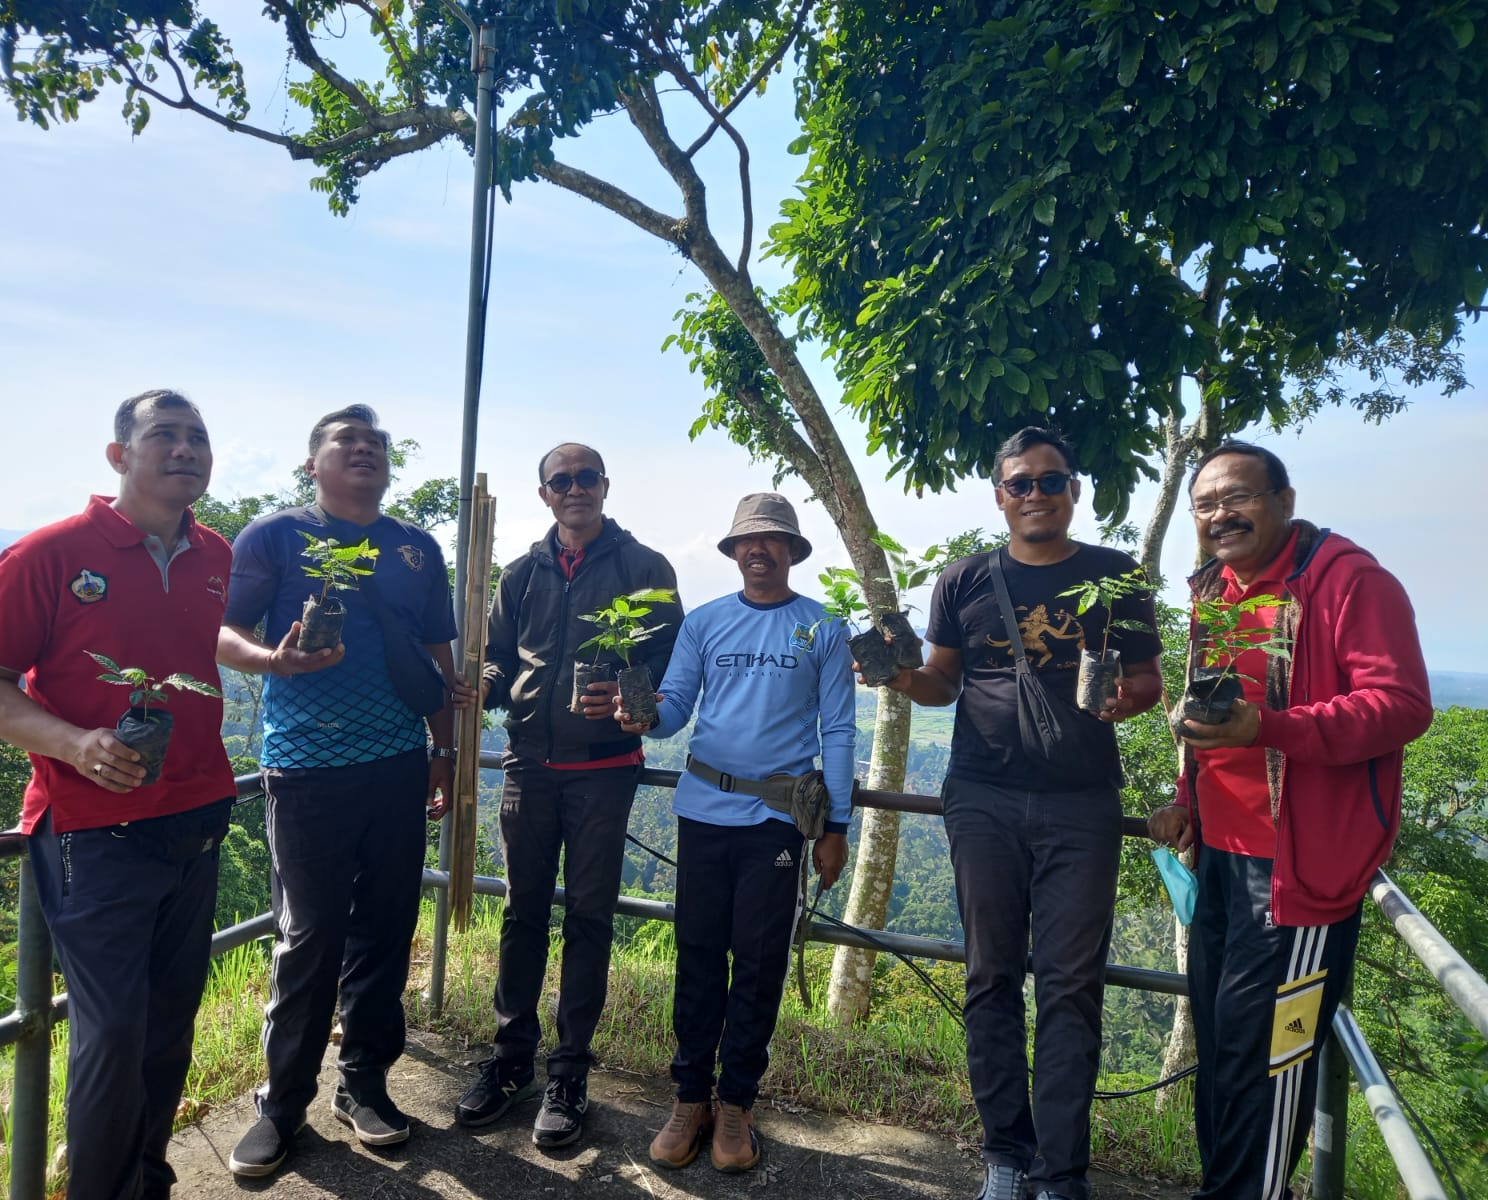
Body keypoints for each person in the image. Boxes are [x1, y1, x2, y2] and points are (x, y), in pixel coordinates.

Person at [0, 389, 235, 1200]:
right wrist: (76, 744)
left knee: (168, 1025)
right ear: (119, 455)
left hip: (196, 815)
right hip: (93, 827)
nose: (185, 449)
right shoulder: (46, 554)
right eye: (165, 435)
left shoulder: (213, 554)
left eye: (197, 437)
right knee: (111, 1034)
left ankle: (146, 1182)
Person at [883, 427, 1162, 1200]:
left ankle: (1061, 1172)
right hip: (983, 796)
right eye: (1021, 483)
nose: (1036, 494)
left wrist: (1123, 699)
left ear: (1075, 489)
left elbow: (1149, 681)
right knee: (991, 975)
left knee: (1072, 985)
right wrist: (899, 678)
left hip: (1081, 801)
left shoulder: (1114, 576)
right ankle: (1005, 1154)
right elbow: (943, 682)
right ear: (999, 496)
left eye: (1050, 480)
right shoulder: (965, 579)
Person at [1148, 442, 1431, 1200]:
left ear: (1285, 500)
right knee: (1221, 1048)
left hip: (1297, 871)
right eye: (1205, 504)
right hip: (1219, 859)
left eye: (1237, 497)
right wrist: (1186, 797)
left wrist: (1270, 728)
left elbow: (1402, 705)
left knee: (1266, 1064)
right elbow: (1206, 710)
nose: (1220, 515)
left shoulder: (1349, 581)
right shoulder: (1217, 590)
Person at [219, 404, 458, 1179]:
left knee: (386, 930)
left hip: (398, 763)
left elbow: (437, 655)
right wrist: (271, 660)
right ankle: (282, 1104)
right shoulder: (275, 536)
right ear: (312, 463)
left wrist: (444, 750)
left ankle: (364, 1084)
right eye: (345, 441)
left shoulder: (416, 548)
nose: (364, 450)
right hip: (306, 769)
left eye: (375, 443)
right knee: (310, 936)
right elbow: (221, 630)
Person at [454, 442, 682, 1149]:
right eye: (562, 480)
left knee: (588, 917)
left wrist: (633, 691)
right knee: (521, 912)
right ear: (545, 494)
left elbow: (672, 660)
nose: (575, 488)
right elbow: (498, 654)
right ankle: (510, 1060)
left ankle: (570, 1072)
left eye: (586, 478)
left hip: (604, 770)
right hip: (528, 764)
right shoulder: (522, 573)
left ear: (605, 486)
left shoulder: (645, 568)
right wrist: (486, 684)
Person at [629, 492, 855, 1174]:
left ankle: (735, 1104)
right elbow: (675, 709)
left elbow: (839, 731)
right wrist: (643, 715)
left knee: (759, 963)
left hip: (778, 820)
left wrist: (836, 826)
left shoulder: (823, 628)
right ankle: (688, 1097)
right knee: (697, 954)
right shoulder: (704, 622)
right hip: (703, 811)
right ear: (733, 552)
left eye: (771, 540)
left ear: (791, 551)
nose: (758, 550)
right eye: (746, 541)